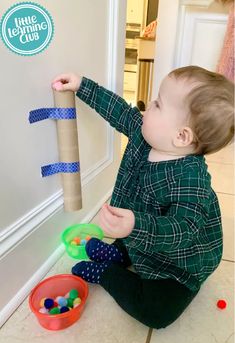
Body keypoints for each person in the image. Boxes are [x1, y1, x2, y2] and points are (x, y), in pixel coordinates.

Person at [52, 66, 234, 329]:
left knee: (157, 313)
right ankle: (120, 254)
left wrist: (135, 226)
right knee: (129, 237)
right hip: (142, 239)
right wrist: (82, 86)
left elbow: (183, 229)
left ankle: (109, 273)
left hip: (180, 264)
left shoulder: (191, 178)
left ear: (181, 136)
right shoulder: (147, 134)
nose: (148, 105)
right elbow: (120, 111)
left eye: (158, 104)